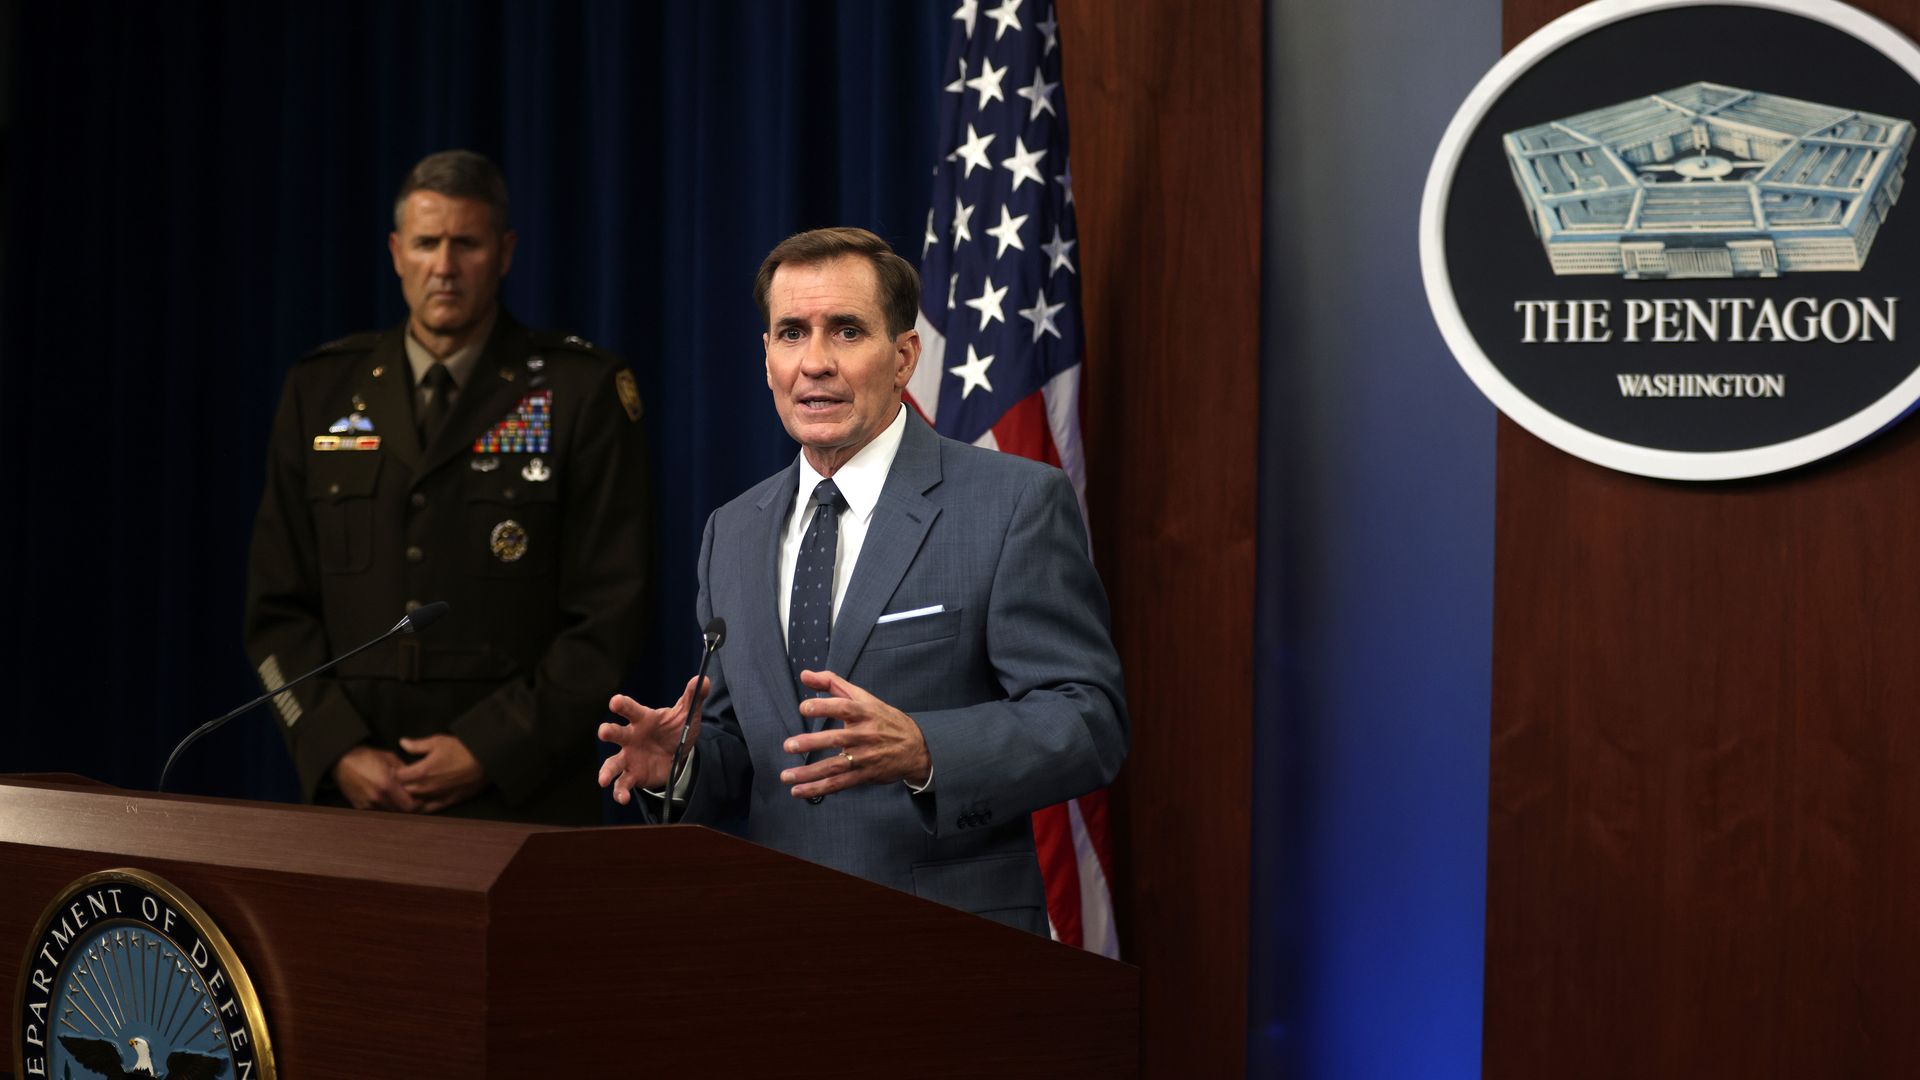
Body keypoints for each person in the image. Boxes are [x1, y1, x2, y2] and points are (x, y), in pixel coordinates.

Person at [598, 227, 1126, 932]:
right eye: (791, 333)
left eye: (846, 331)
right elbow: (748, 744)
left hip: (951, 939)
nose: (815, 363)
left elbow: (1089, 720)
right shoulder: (733, 531)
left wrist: (926, 748)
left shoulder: (1013, 504)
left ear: (904, 356)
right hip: (778, 941)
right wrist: (683, 764)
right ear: (766, 359)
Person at [246, 150, 650, 825]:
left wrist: (493, 747)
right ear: (397, 252)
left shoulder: (578, 391)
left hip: (521, 796)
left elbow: (612, 614)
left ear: (504, 252)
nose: (444, 265)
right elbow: (274, 611)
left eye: (466, 243)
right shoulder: (320, 391)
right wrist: (334, 746)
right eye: (428, 243)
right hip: (351, 798)